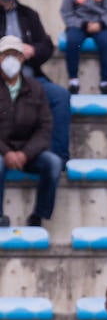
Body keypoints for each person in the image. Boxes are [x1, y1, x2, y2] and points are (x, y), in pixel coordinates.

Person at [0, 0, 71, 162]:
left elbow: (46, 46)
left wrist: (33, 51)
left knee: (60, 96)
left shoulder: (28, 14)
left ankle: (58, 159)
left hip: (29, 77)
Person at [0, 35, 61, 228]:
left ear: (22, 58)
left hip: (27, 152)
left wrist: (25, 154)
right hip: (1, 152)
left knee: (54, 162)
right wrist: (7, 152)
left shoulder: (35, 88)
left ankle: (38, 215)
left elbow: (45, 127)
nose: (10, 60)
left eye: (15, 55)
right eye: (5, 55)